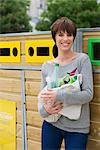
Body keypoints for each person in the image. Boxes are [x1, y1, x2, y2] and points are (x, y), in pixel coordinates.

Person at [38, 17, 93, 150]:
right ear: (54, 38)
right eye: (61, 35)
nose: (65, 39)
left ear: (73, 37)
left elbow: (88, 94)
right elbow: (41, 98)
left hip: (77, 128)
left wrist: (58, 95)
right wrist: (45, 110)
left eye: (69, 34)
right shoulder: (47, 66)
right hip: (51, 124)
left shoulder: (82, 60)